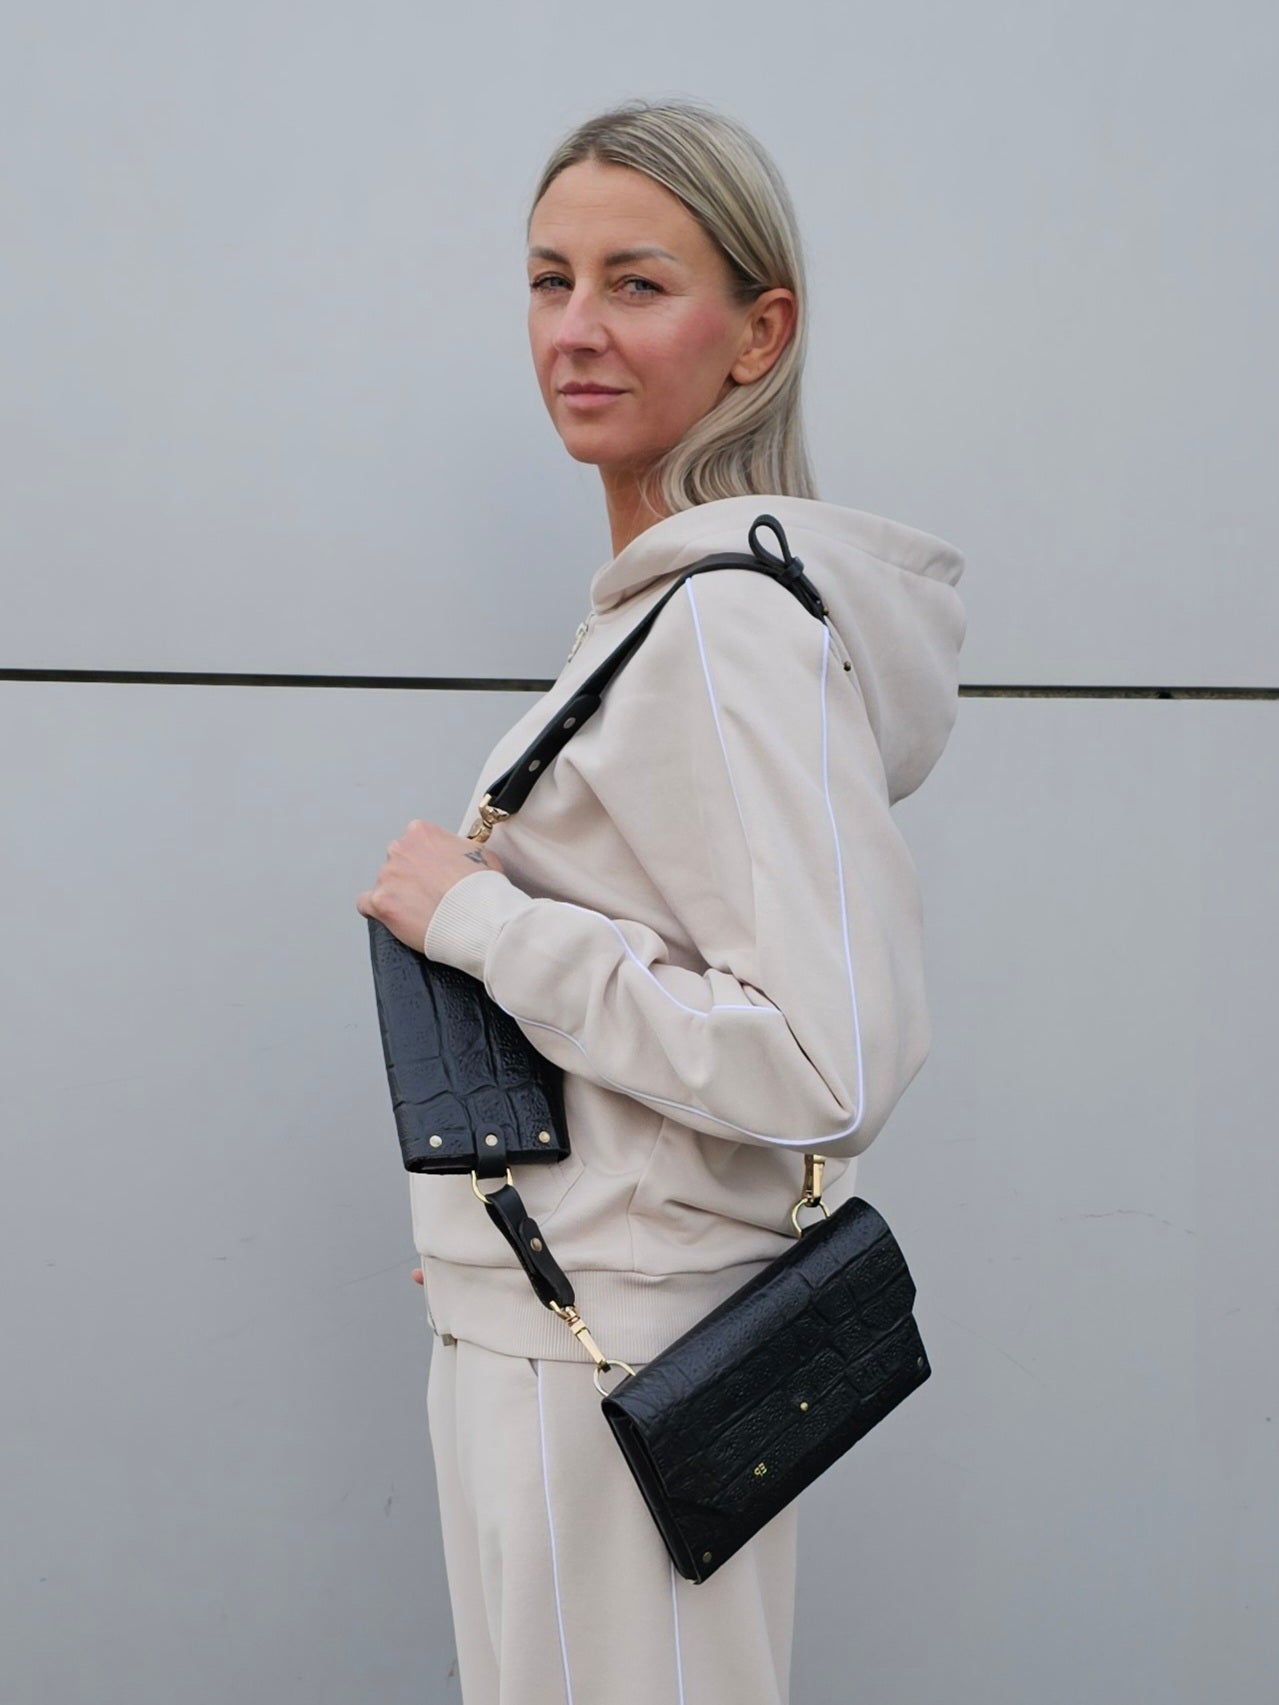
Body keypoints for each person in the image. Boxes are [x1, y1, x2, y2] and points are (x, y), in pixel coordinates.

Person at [355, 97, 966, 1705]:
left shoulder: (725, 632)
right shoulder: (645, 622)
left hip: (607, 1361)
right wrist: (533, 1214)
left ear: (760, 333)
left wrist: (480, 920)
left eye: (637, 283)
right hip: (556, 1323)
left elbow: (830, 1052)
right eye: (548, 280)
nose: (576, 328)